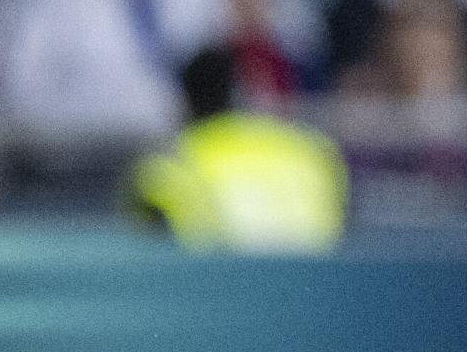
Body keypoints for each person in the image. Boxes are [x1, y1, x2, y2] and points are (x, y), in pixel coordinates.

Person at [128, 43, 345, 251]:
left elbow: (146, 253)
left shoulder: (170, 163)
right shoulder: (311, 150)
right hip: (314, 282)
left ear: (186, 101)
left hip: (217, 283)